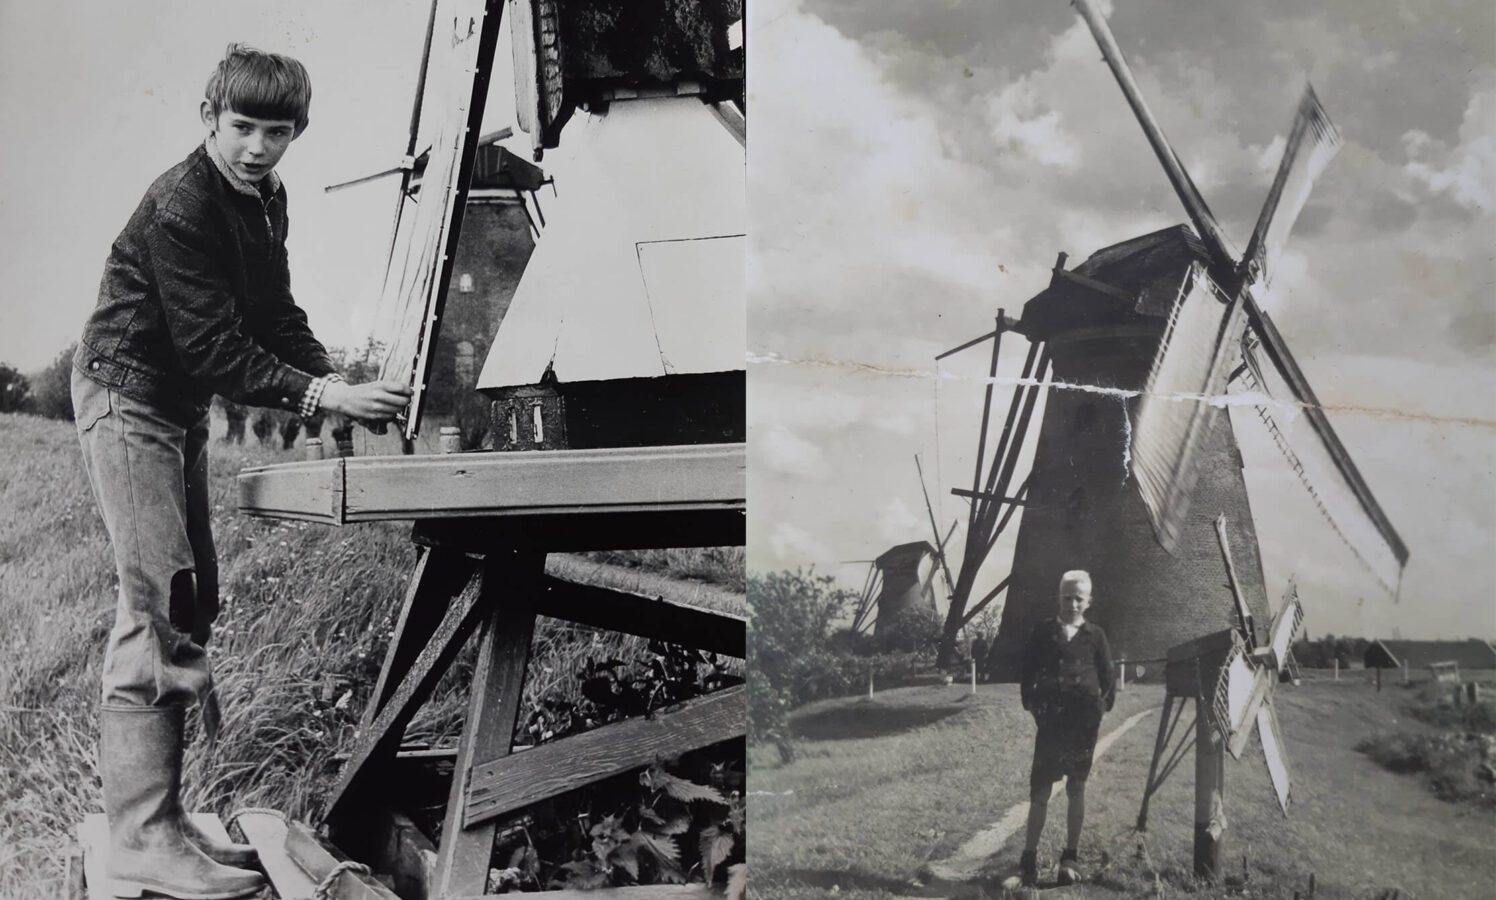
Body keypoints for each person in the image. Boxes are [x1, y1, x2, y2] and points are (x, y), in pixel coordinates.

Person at [72, 44, 412, 900]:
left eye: (279, 132)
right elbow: (213, 346)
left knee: (193, 598)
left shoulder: (264, 199)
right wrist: (325, 391)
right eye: (243, 127)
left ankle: (166, 823)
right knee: (161, 600)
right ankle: (142, 837)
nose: (260, 146)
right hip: (128, 394)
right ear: (209, 119)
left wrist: (337, 382)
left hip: (175, 404)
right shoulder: (184, 203)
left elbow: (272, 314)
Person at [1017, 570, 1115, 887]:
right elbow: (1027, 674)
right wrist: (1035, 707)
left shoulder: (1095, 635)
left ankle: (1070, 856)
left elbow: (1108, 678)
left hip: (1082, 725)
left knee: (1076, 787)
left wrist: (1098, 709)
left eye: (1078, 599)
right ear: (1058, 597)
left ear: (1088, 602)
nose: (1072, 604)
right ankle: (1029, 858)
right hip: (1052, 724)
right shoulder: (1043, 632)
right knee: (1041, 791)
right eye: (1067, 597)